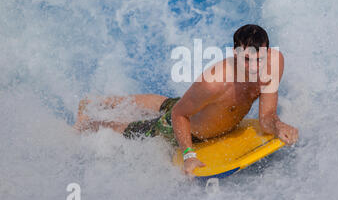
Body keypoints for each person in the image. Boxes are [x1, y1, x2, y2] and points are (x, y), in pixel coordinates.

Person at [74, 24, 299, 175]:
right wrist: (188, 154)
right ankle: (89, 124)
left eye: (258, 59)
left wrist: (278, 125)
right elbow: (179, 115)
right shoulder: (214, 82)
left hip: (202, 110)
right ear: (234, 52)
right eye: (246, 59)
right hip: (182, 130)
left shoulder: (274, 63)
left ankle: (99, 100)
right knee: (131, 129)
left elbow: (266, 117)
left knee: (166, 103)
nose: (253, 67)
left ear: (268, 51)